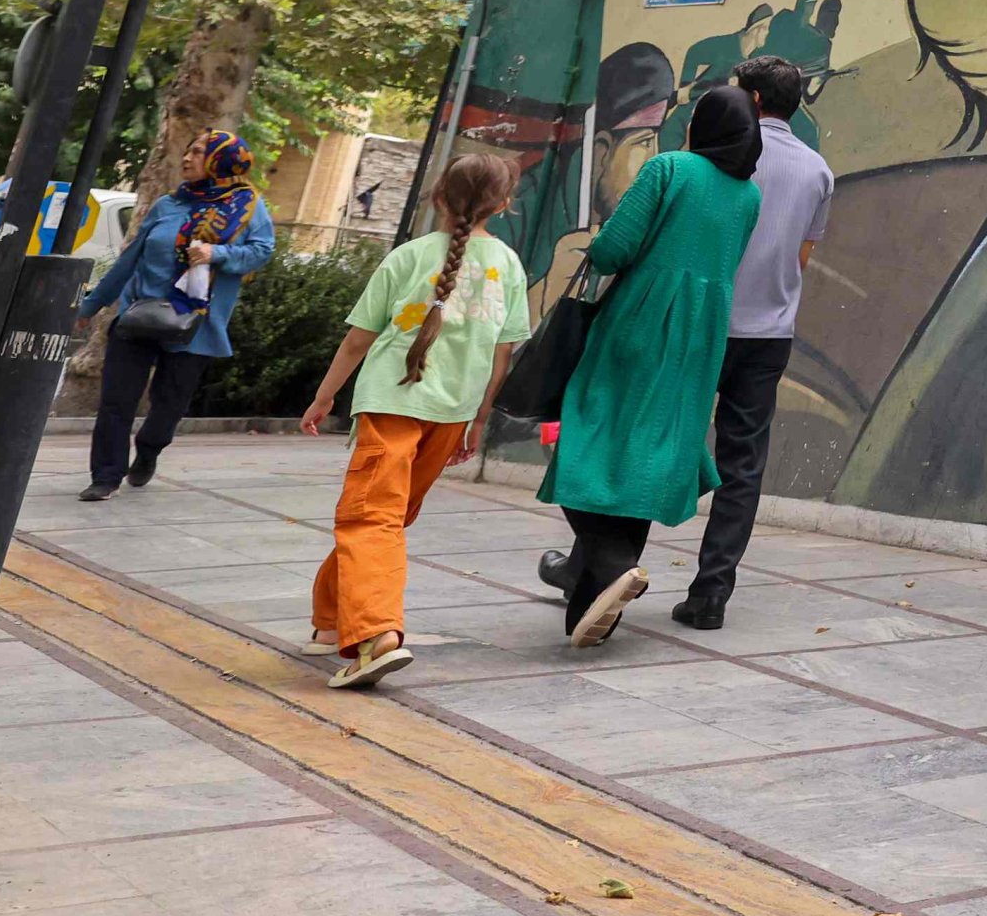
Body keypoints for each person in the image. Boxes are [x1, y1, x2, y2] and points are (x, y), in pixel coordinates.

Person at [298, 151, 533, 690]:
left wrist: (324, 396)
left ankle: (376, 634)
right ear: (503, 204)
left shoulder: (407, 257)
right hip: (452, 413)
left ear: (438, 197)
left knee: (372, 519)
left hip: (390, 404)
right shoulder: (509, 267)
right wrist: (479, 420)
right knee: (384, 517)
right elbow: (503, 356)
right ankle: (332, 620)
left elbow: (359, 338)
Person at [539, 84, 762, 647]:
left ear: (702, 126)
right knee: (650, 448)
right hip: (701, 335)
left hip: (640, 320)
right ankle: (595, 596)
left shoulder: (668, 168)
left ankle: (611, 561)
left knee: (586, 432)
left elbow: (613, 250)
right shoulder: (748, 195)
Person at [679, 54, 831, 631]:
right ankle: (711, 594)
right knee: (743, 466)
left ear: (754, 101)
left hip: (702, 324)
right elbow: (802, 259)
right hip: (769, 335)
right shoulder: (818, 170)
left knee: (658, 435)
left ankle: (606, 565)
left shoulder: (716, 160)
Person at [75, 129, 277, 501]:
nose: (187, 157)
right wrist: (90, 307)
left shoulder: (246, 206)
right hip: (138, 316)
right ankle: (105, 476)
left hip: (194, 323)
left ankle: (149, 449)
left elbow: (261, 251)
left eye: (198, 152)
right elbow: (129, 260)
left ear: (221, 160)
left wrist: (218, 255)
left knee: (168, 406)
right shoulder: (168, 204)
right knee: (116, 401)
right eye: (188, 151)